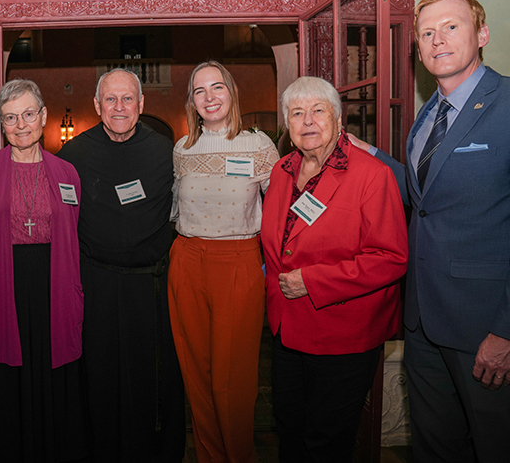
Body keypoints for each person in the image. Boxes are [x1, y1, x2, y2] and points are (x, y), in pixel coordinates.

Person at [349, 0, 510, 463]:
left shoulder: (506, 105)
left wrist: (506, 332)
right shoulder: (428, 115)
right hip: (423, 321)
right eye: (426, 33)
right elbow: (424, 196)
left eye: (451, 27)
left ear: (482, 34)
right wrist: (370, 153)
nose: (437, 40)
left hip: (485, 328)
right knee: (435, 448)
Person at [261, 76, 408, 462]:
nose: (308, 121)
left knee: (326, 442)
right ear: (287, 124)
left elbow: (390, 257)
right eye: (297, 113)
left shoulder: (371, 175)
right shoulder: (281, 171)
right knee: (289, 428)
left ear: (338, 119)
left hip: (343, 332)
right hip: (287, 328)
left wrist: (311, 281)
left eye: (318, 110)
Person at [57, 68, 185, 463]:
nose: (119, 107)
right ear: (97, 105)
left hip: (149, 289)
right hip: (93, 285)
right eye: (110, 99)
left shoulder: (166, 152)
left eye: (127, 98)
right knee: (97, 377)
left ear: (141, 104)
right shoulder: (72, 156)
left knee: (149, 378)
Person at [0, 78, 88, 462]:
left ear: (44, 116)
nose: (21, 125)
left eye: (28, 114)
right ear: (1, 125)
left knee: (52, 377)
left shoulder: (67, 173)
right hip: (2, 290)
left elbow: (74, 236)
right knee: (5, 385)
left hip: (54, 289)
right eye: (10, 117)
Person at [169, 61, 278, 463]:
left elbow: (281, 211)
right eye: (199, 90)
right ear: (192, 101)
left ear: (232, 92)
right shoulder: (182, 149)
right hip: (186, 259)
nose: (209, 97)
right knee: (195, 372)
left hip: (237, 260)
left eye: (217, 87)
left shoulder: (258, 145)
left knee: (232, 378)